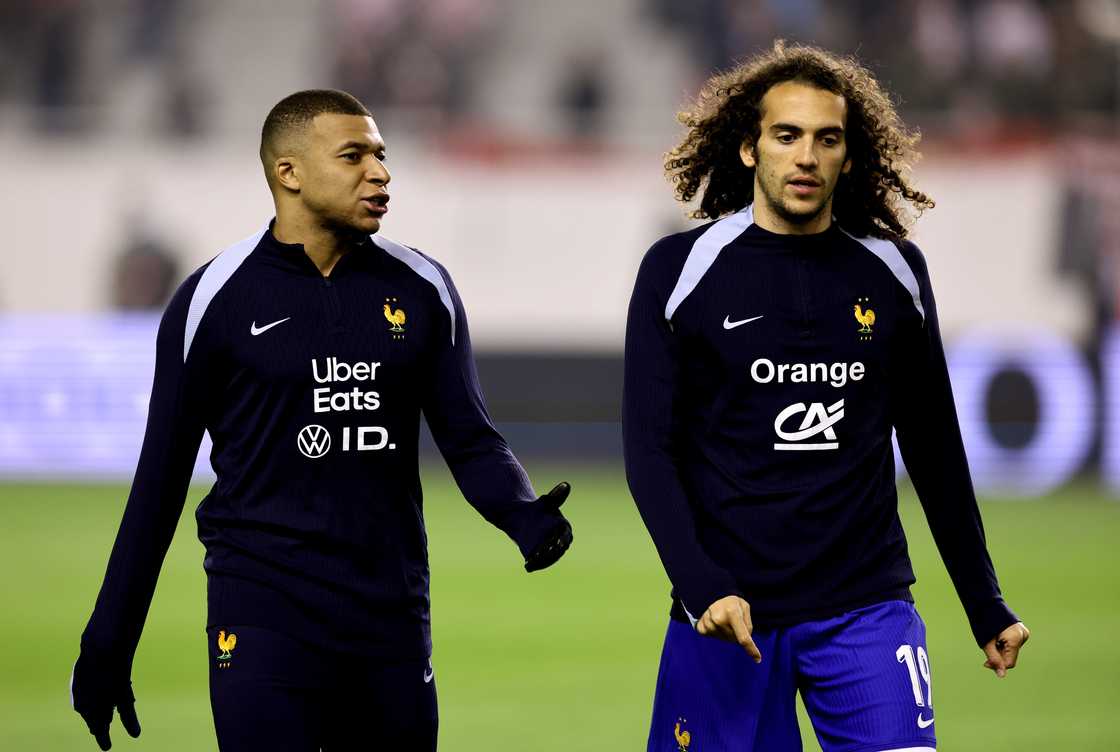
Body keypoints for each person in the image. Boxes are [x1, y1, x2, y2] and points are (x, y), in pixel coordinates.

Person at [71, 89, 573, 751]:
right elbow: (158, 487)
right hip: (259, 616)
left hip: (389, 619)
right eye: (354, 155)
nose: (381, 172)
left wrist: (523, 514)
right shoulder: (211, 301)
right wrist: (109, 638)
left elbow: (471, 439)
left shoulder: (423, 290)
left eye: (382, 155)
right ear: (290, 173)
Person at [623, 41, 1029, 751]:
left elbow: (933, 445)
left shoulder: (895, 272)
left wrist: (983, 599)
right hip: (729, 613)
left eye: (826, 138)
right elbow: (649, 452)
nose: (806, 156)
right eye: (786, 136)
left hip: (866, 611)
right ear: (750, 149)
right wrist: (699, 587)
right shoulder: (678, 271)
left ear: (849, 153)